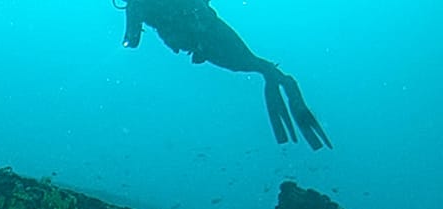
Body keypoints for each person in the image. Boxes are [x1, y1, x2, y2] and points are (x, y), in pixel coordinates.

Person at [119, 0, 331, 149]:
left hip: (202, 43)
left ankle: (285, 94)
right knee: (254, 64)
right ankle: (287, 89)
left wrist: (125, 40)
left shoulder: (137, 3)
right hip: (215, 28)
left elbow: (132, 40)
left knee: (251, 65)